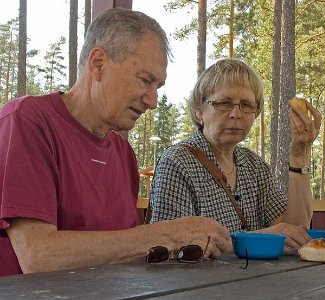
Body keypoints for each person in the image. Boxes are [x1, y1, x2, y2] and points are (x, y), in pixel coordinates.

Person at [0, 8, 231, 277]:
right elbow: (38, 256)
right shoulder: (28, 121)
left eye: (158, 86)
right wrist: (167, 234)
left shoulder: (122, 153)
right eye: (146, 80)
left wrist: (184, 247)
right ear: (98, 64)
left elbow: (123, 254)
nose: (153, 101)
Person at [150, 59, 322, 250]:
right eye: (224, 103)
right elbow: (171, 244)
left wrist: (299, 156)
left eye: (246, 105)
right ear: (199, 111)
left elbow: (294, 232)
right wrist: (263, 236)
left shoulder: (254, 166)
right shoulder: (177, 162)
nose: (236, 114)